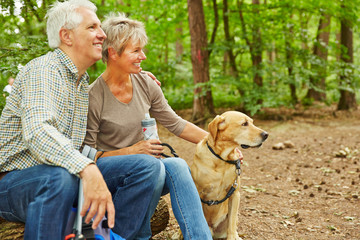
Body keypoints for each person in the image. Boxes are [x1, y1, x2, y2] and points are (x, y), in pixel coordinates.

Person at [0, 1, 163, 239]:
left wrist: (137, 74)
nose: (102, 34)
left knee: (145, 166)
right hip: (16, 183)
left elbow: (83, 144)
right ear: (66, 36)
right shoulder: (44, 70)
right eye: (92, 27)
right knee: (59, 177)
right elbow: (38, 131)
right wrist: (87, 168)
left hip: (67, 175)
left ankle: (112, 236)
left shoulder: (81, 82)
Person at [84, 13, 213, 240]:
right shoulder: (93, 96)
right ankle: (133, 235)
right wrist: (131, 151)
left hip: (146, 173)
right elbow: (86, 155)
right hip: (108, 175)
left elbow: (176, 123)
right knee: (150, 165)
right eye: (136, 51)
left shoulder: (146, 83)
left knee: (178, 165)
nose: (143, 56)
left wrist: (218, 143)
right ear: (113, 53)